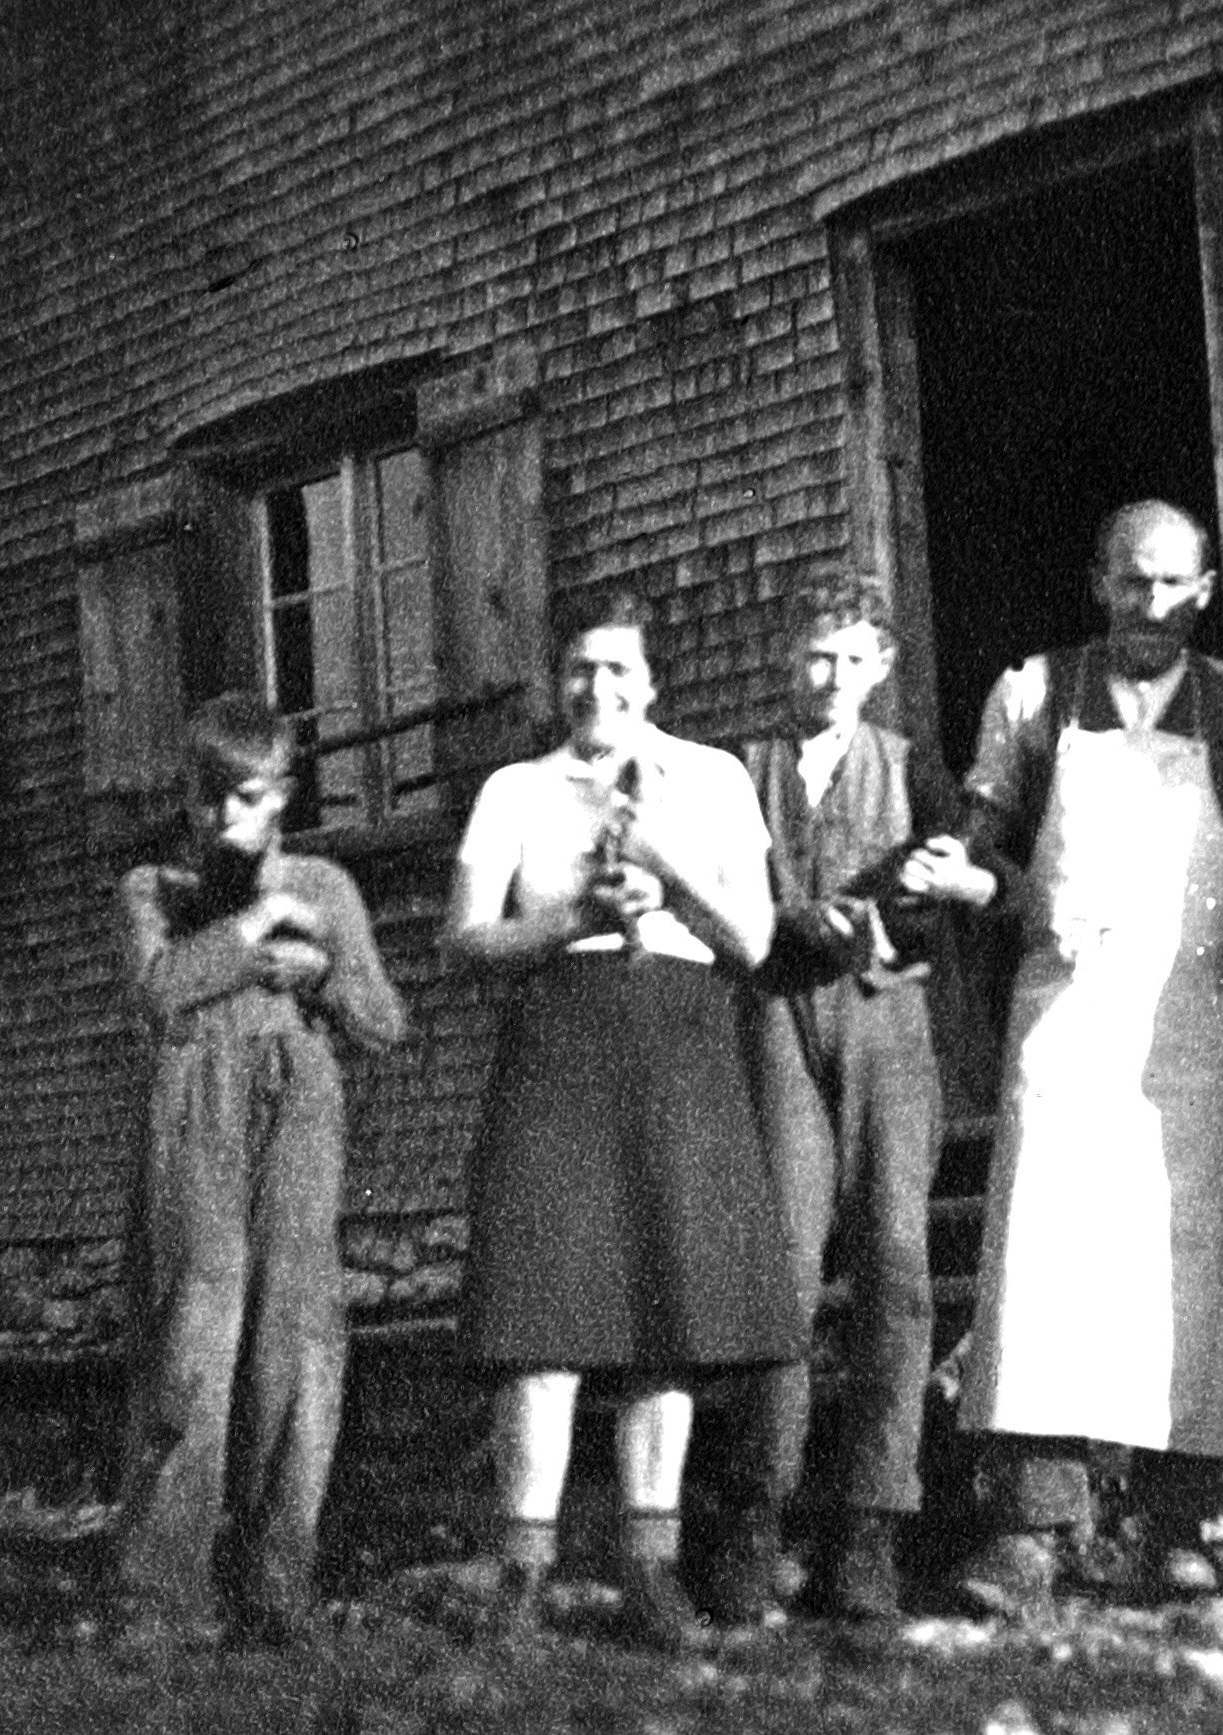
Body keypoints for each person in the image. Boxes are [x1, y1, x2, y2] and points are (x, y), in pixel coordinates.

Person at [931, 500, 1223, 1617]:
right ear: (1099, 582)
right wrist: (980, 882)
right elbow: (980, 840)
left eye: (1175, 583)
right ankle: (1035, 1526)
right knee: (1041, 1251)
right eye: (1133, 580)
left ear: (1206, 592)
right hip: (1064, 1005)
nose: (1153, 603)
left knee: (1193, 1255)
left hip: (1192, 1016)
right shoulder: (1033, 695)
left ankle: (1184, 1523)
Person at [443, 587, 805, 1652]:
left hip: (679, 1039)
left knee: (667, 1313)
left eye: (617, 669)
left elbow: (753, 940)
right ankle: (522, 1573)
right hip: (559, 1042)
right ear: (558, 680)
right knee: (542, 1315)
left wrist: (666, 868)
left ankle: (650, 1571)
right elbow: (466, 940)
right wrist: (574, 916)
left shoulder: (716, 777)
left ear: (651, 682)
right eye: (578, 669)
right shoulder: (514, 788)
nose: (595, 687)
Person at [693, 574, 995, 1624]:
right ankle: (755, 1515)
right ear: (789, 654)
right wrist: (788, 918)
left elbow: (953, 871)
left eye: (851, 658)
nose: (829, 676)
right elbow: (717, 882)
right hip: (775, 1014)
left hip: (885, 1020)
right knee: (779, 1264)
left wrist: (887, 910)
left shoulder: (912, 767)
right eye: (814, 654)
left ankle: (870, 1523)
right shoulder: (741, 769)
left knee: (895, 1268)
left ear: (881, 667)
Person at [109, 692, 411, 1646]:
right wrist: (259, 924)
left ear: (282, 793)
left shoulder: (326, 884)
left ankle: (277, 1579)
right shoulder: (152, 889)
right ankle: (162, 1593)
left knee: (298, 1329)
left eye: (244, 796)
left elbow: (384, 1023)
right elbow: (159, 991)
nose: (221, 817)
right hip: (194, 1108)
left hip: (298, 1107)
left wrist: (323, 972)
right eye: (204, 796)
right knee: (193, 1324)